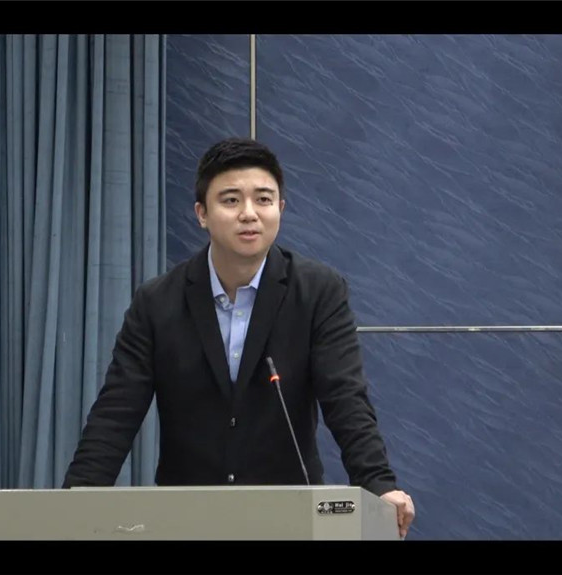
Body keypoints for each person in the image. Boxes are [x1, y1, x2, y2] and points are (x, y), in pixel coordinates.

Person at [62, 137, 415, 538]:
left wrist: (379, 485)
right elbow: (116, 413)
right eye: (231, 200)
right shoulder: (157, 302)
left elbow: (345, 399)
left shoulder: (318, 292)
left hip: (289, 516)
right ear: (202, 213)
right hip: (186, 517)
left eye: (263, 199)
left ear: (280, 209)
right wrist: (74, 503)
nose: (249, 213)